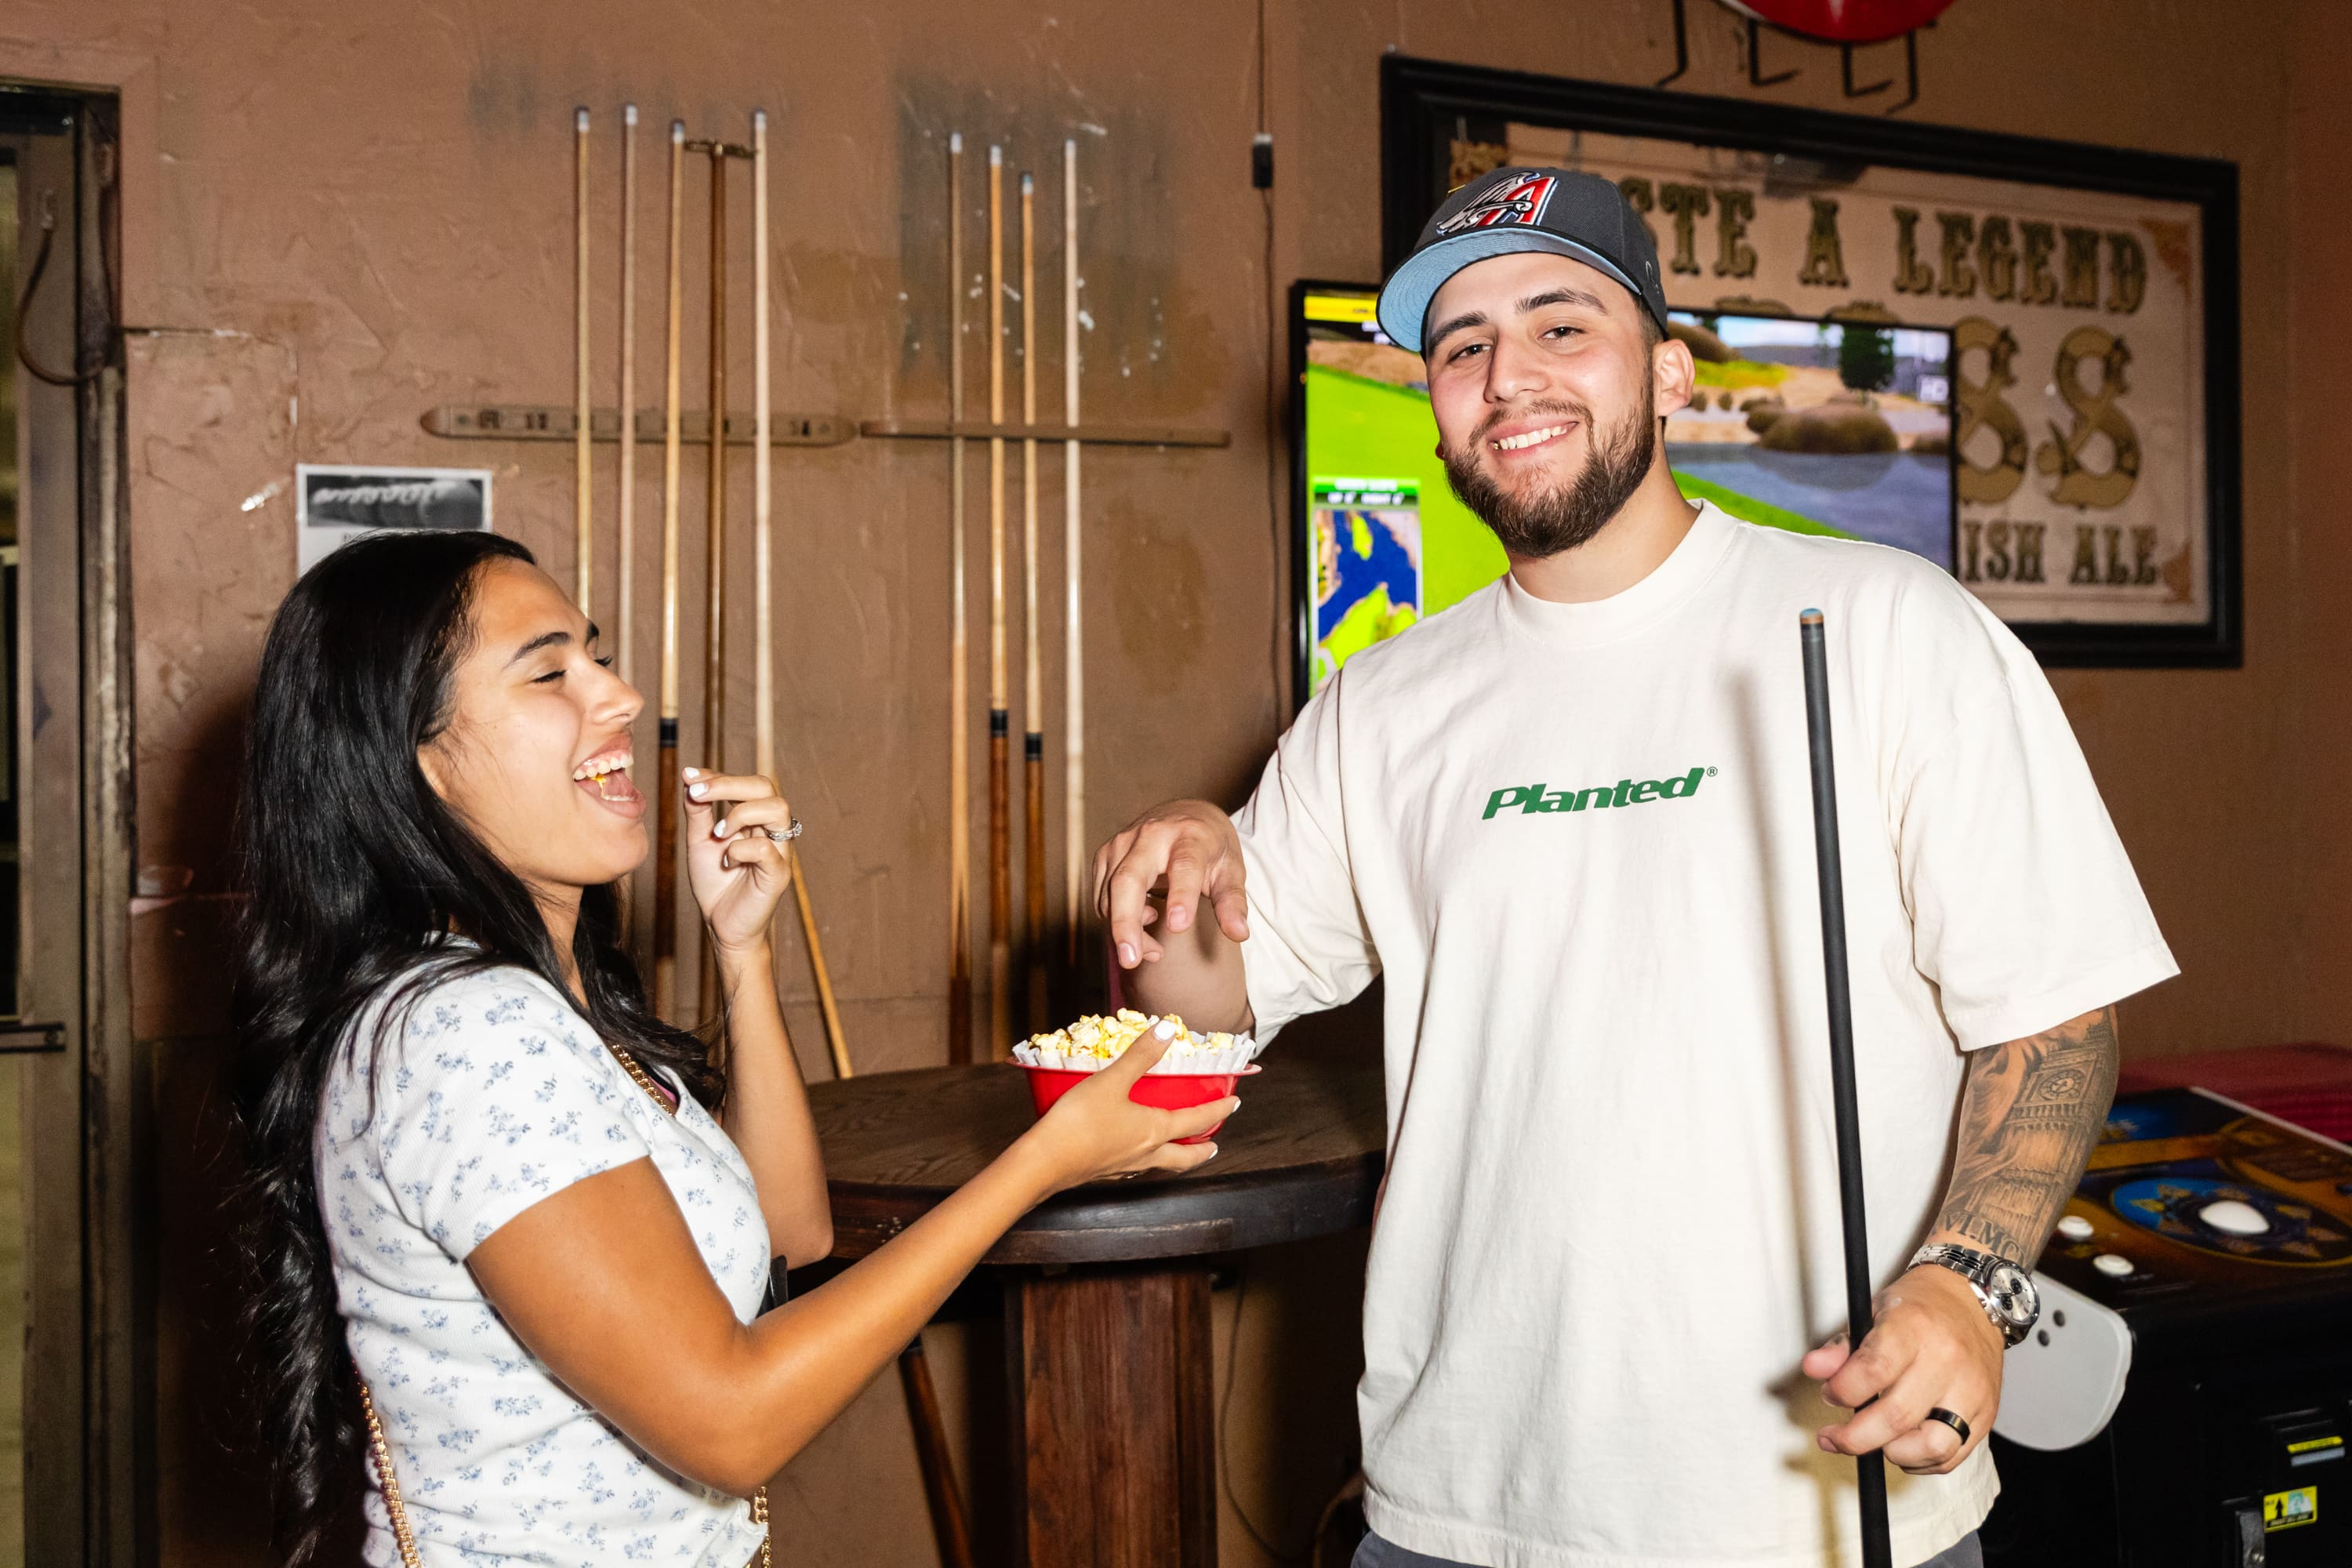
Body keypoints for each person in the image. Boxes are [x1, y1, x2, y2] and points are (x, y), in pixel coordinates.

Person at [1094, 169, 2175, 1568]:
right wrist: (1186, 858)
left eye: (1561, 325)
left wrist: (1965, 1286)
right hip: (1455, 1511)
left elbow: (2054, 1013)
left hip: (1821, 1512)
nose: (1506, 376)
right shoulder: (1379, 705)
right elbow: (1211, 1005)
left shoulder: (1891, 627)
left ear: (1667, 372)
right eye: (1462, 344)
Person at [232, 529, 1234, 1567]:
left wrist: (744, 952)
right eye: (550, 673)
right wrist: (1041, 1164)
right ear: (420, 760)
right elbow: (731, 1422)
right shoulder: (469, 1032)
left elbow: (785, 1232)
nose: (616, 696)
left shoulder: (544, 1007)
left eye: (598, 655)